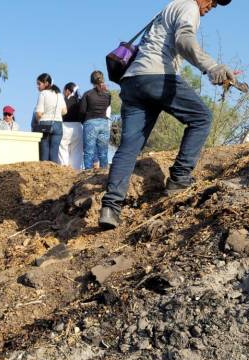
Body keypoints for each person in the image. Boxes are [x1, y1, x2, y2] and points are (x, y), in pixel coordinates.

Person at [99, 0, 235, 229]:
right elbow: (184, 40)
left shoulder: (170, 7)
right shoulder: (189, 7)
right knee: (202, 118)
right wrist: (211, 66)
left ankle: (110, 208)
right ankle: (180, 178)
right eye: (212, 0)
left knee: (129, 146)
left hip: (133, 81)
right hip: (157, 76)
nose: (212, 5)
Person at [80, 71, 113, 170]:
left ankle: (87, 173)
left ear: (91, 80)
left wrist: (84, 121)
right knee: (103, 152)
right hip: (104, 123)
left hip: (90, 123)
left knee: (89, 151)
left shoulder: (88, 94)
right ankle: (104, 174)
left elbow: (82, 111)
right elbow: (107, 106)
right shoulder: (108, 94)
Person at [34, 73, 67, 162]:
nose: (37, 86)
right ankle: (54, 174)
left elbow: (39, 113)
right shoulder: (59, 94)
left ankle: (45, 174)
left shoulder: (43, 94)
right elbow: (64, 111)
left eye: (39, 84)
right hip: (58, 124)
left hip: (45, 123)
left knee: (44, 152)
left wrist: (38, 121)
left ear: (46, 83)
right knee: (54, 152)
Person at [61, 82, 84, 169]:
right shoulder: (80, 101)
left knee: (63, 151)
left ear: (67, 90)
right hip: (78, 127)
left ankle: (64, 171)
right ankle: (76, 172)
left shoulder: (63, 100)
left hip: (64, 126)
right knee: (77, 153)